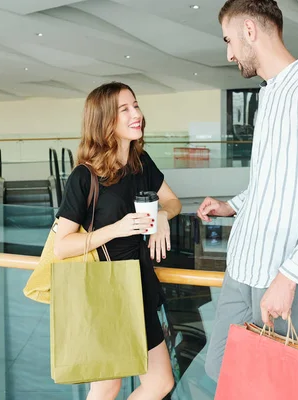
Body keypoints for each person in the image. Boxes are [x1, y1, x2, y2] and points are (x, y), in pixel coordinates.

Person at [197, 0, 298, 382]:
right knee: (219, 369)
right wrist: (232, 206)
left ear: (250, 31)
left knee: (268, 385)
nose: (229, 53)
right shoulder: (268, 93)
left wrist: (289, 278)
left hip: (277, 272)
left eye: (229, 40)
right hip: (242, 263)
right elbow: (272, 182)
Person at [54, 82, 180, 400]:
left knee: (161, 382)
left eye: (135, 105)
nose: (136, 114)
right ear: (105, 120)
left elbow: (173, 203)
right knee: (107, 386)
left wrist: (163, 216)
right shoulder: (85, 176)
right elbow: (62, 245)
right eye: (125, 109)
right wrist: (116, 229)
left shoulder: (141, 163)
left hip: (139, 285)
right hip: (106, 291)